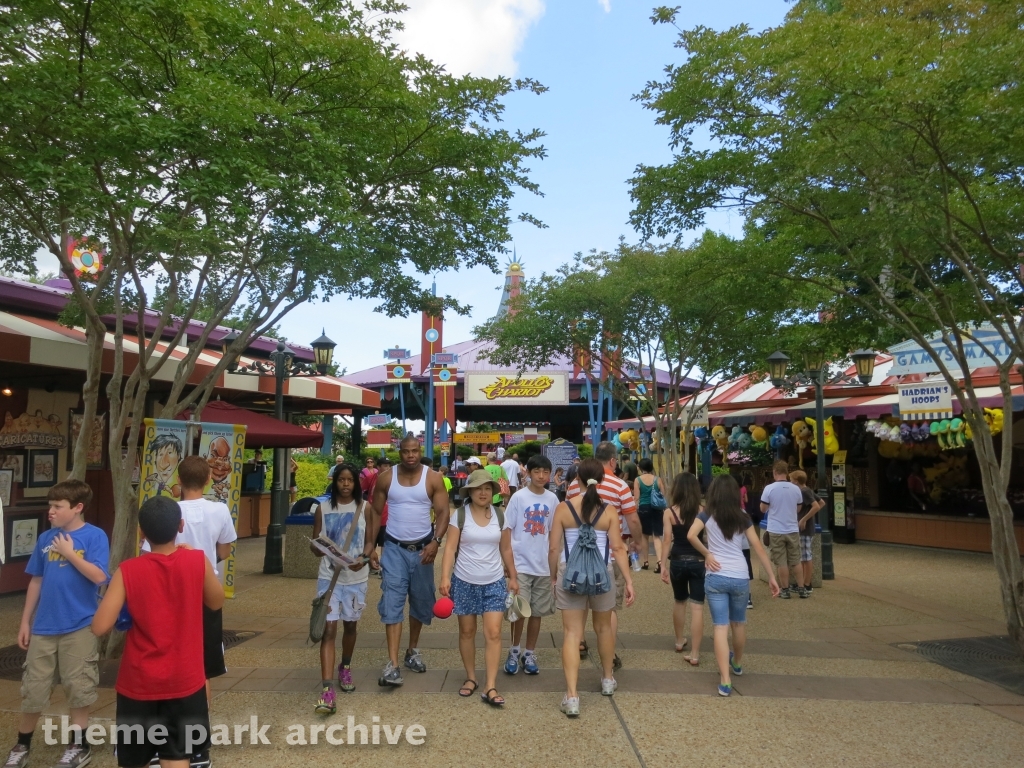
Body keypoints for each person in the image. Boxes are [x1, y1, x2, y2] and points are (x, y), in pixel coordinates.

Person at [92, 496, 223, 768]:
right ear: (180, 526)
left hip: (138, 684)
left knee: (135, 760)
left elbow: (100, 626)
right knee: (178, 757)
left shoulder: (128, 570)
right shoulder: (197, 561)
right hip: (186, 683)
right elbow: (215, 601)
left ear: (141, 532)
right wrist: (197, 564)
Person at [5, 481, 109, 768]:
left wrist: (69, 553)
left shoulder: (94, 536)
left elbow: (100, 576)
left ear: (78, 508)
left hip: (80, 624)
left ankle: (79, 744)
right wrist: (25, 620)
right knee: (34, 688)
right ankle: (22, 744)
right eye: (50, 506)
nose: (50, 511)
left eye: (57, 507)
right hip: (44, 627)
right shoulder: (45, 538)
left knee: (79, 686)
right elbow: (36, 580)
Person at [141, 454, 236, 737]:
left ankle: (164, 728)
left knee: (170, 661)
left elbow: (150, 553)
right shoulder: (219, 510)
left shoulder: (167, 510)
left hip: (169, 594)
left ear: (178, 480)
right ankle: (198, 729)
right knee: (202, 666)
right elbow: (226, 549)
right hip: (206, 593)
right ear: (208, 479)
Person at [549, 459, 635, 717]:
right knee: (604, 627)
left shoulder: (564, 509)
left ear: (576, 480)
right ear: (603, 479)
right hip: (602, 575)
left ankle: (572, 696)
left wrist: (553, 577)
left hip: (570, 573)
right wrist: (629, 581)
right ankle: (608, 679)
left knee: (572, 633)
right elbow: (618, 548)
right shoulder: (608, 511)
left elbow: (553, 548)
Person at [364, 436, 451, 687]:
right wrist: (371, 546)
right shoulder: (386, 478)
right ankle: (392, 665)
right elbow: (375, 512)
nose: (410, 455)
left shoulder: (432, 478)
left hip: (424, 549)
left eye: (414, 451)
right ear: (399, 453)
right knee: (392, 601)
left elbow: (443, 511)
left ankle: (412, 650)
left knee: (421, 601)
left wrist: (436, 541)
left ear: (420, 451)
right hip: (393, 549)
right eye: (405, 452)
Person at [687, 475, 780, 696]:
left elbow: (691, 535)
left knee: (720, 627)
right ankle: (737, 663)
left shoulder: (707, 514)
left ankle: (725, 680)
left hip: (716, 575)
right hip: (740, 575)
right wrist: (771, 576)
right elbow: (757, 547)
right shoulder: (743, 516)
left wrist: (707, 553)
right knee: (739, 623)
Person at [440, 470, 518, 707]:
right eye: (478, 488)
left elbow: (506, 549)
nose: (483, 493)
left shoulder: (500, 516)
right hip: (464, 581)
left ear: (492, 492)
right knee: (467, 631)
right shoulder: (460, 516)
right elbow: (450, 549)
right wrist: (445, 577)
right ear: (470, 491)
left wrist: (513, 576)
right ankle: (471, 677)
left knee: (493, 632)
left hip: (494, 581)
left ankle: (490, 685)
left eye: (487, 488)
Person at [566, 441, 640, 669]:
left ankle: (579, 641)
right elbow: (632, 519)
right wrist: (637, 542)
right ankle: (610, 654)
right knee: (608, 608)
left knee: (579, 603)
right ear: (612, 461)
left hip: (577, 556)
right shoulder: (619, 486)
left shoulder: (572, 486)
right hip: (608, 555)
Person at [311, 463, 371, 711]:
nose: (345, 484)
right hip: (329, 577)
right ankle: (327, 689)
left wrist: (363, 559)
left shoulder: (365, 508)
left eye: (350, 480)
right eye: (341, 480)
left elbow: (370, 542)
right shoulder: (322, 508)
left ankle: (345, 666)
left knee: (350, 625)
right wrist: (317, 547)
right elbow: (314, 545)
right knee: (329, 630)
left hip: (356, 579)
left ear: (356, 483)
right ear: (334, 482)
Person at [502, 454, 559, 676]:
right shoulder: (519, 498)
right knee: (519, 611)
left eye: (545, 472)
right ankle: (514, 650)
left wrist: (554, 567)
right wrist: (508, 564)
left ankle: (529, 652)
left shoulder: (553, 499)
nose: (541, 476)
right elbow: (507, 530)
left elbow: (554, 533)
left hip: (543, 565)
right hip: (521, 564)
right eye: (537, 472)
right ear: (528, 473)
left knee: (537, 613)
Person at [660, 472, 704, 664]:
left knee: (679, 601)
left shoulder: (669, 512)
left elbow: (667, 540)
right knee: (697, 607)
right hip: (698, 561)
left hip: (677, 560)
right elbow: (708, 539)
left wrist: (663, 564)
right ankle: (695, 652)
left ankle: (679, 641)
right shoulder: (702, 511)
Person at [761, 460, 807, 599]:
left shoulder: (769, 488)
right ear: (787, 473)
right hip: (792, 528)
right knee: (795, 560)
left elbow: (763, 508)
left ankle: (785, 590)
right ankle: (802, 589)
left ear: (775, 472)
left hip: (776, 529)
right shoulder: (796, 489)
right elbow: (799, 508)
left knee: (781, 561)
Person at [790, 470, 824, 595]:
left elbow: (816, 506)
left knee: (806, 556)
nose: (790, 482)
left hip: (804, 528)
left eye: (791, 480)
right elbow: (821, 502)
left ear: (796, 481)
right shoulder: (807, 490)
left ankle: (807, 584)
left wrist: (804, 518)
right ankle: (804, 581)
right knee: (804, 556)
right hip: (806, 527)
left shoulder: (803, 492)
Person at [633, 458, 665, 572]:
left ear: (641, 468)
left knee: (644, 536)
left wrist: (635, 510)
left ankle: (646, 561)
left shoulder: (637, 480)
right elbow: (663, 495)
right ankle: (659, 561)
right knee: (656, 536)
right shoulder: (658, 479)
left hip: (643, 508)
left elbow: (636, 498)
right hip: (656, 509)